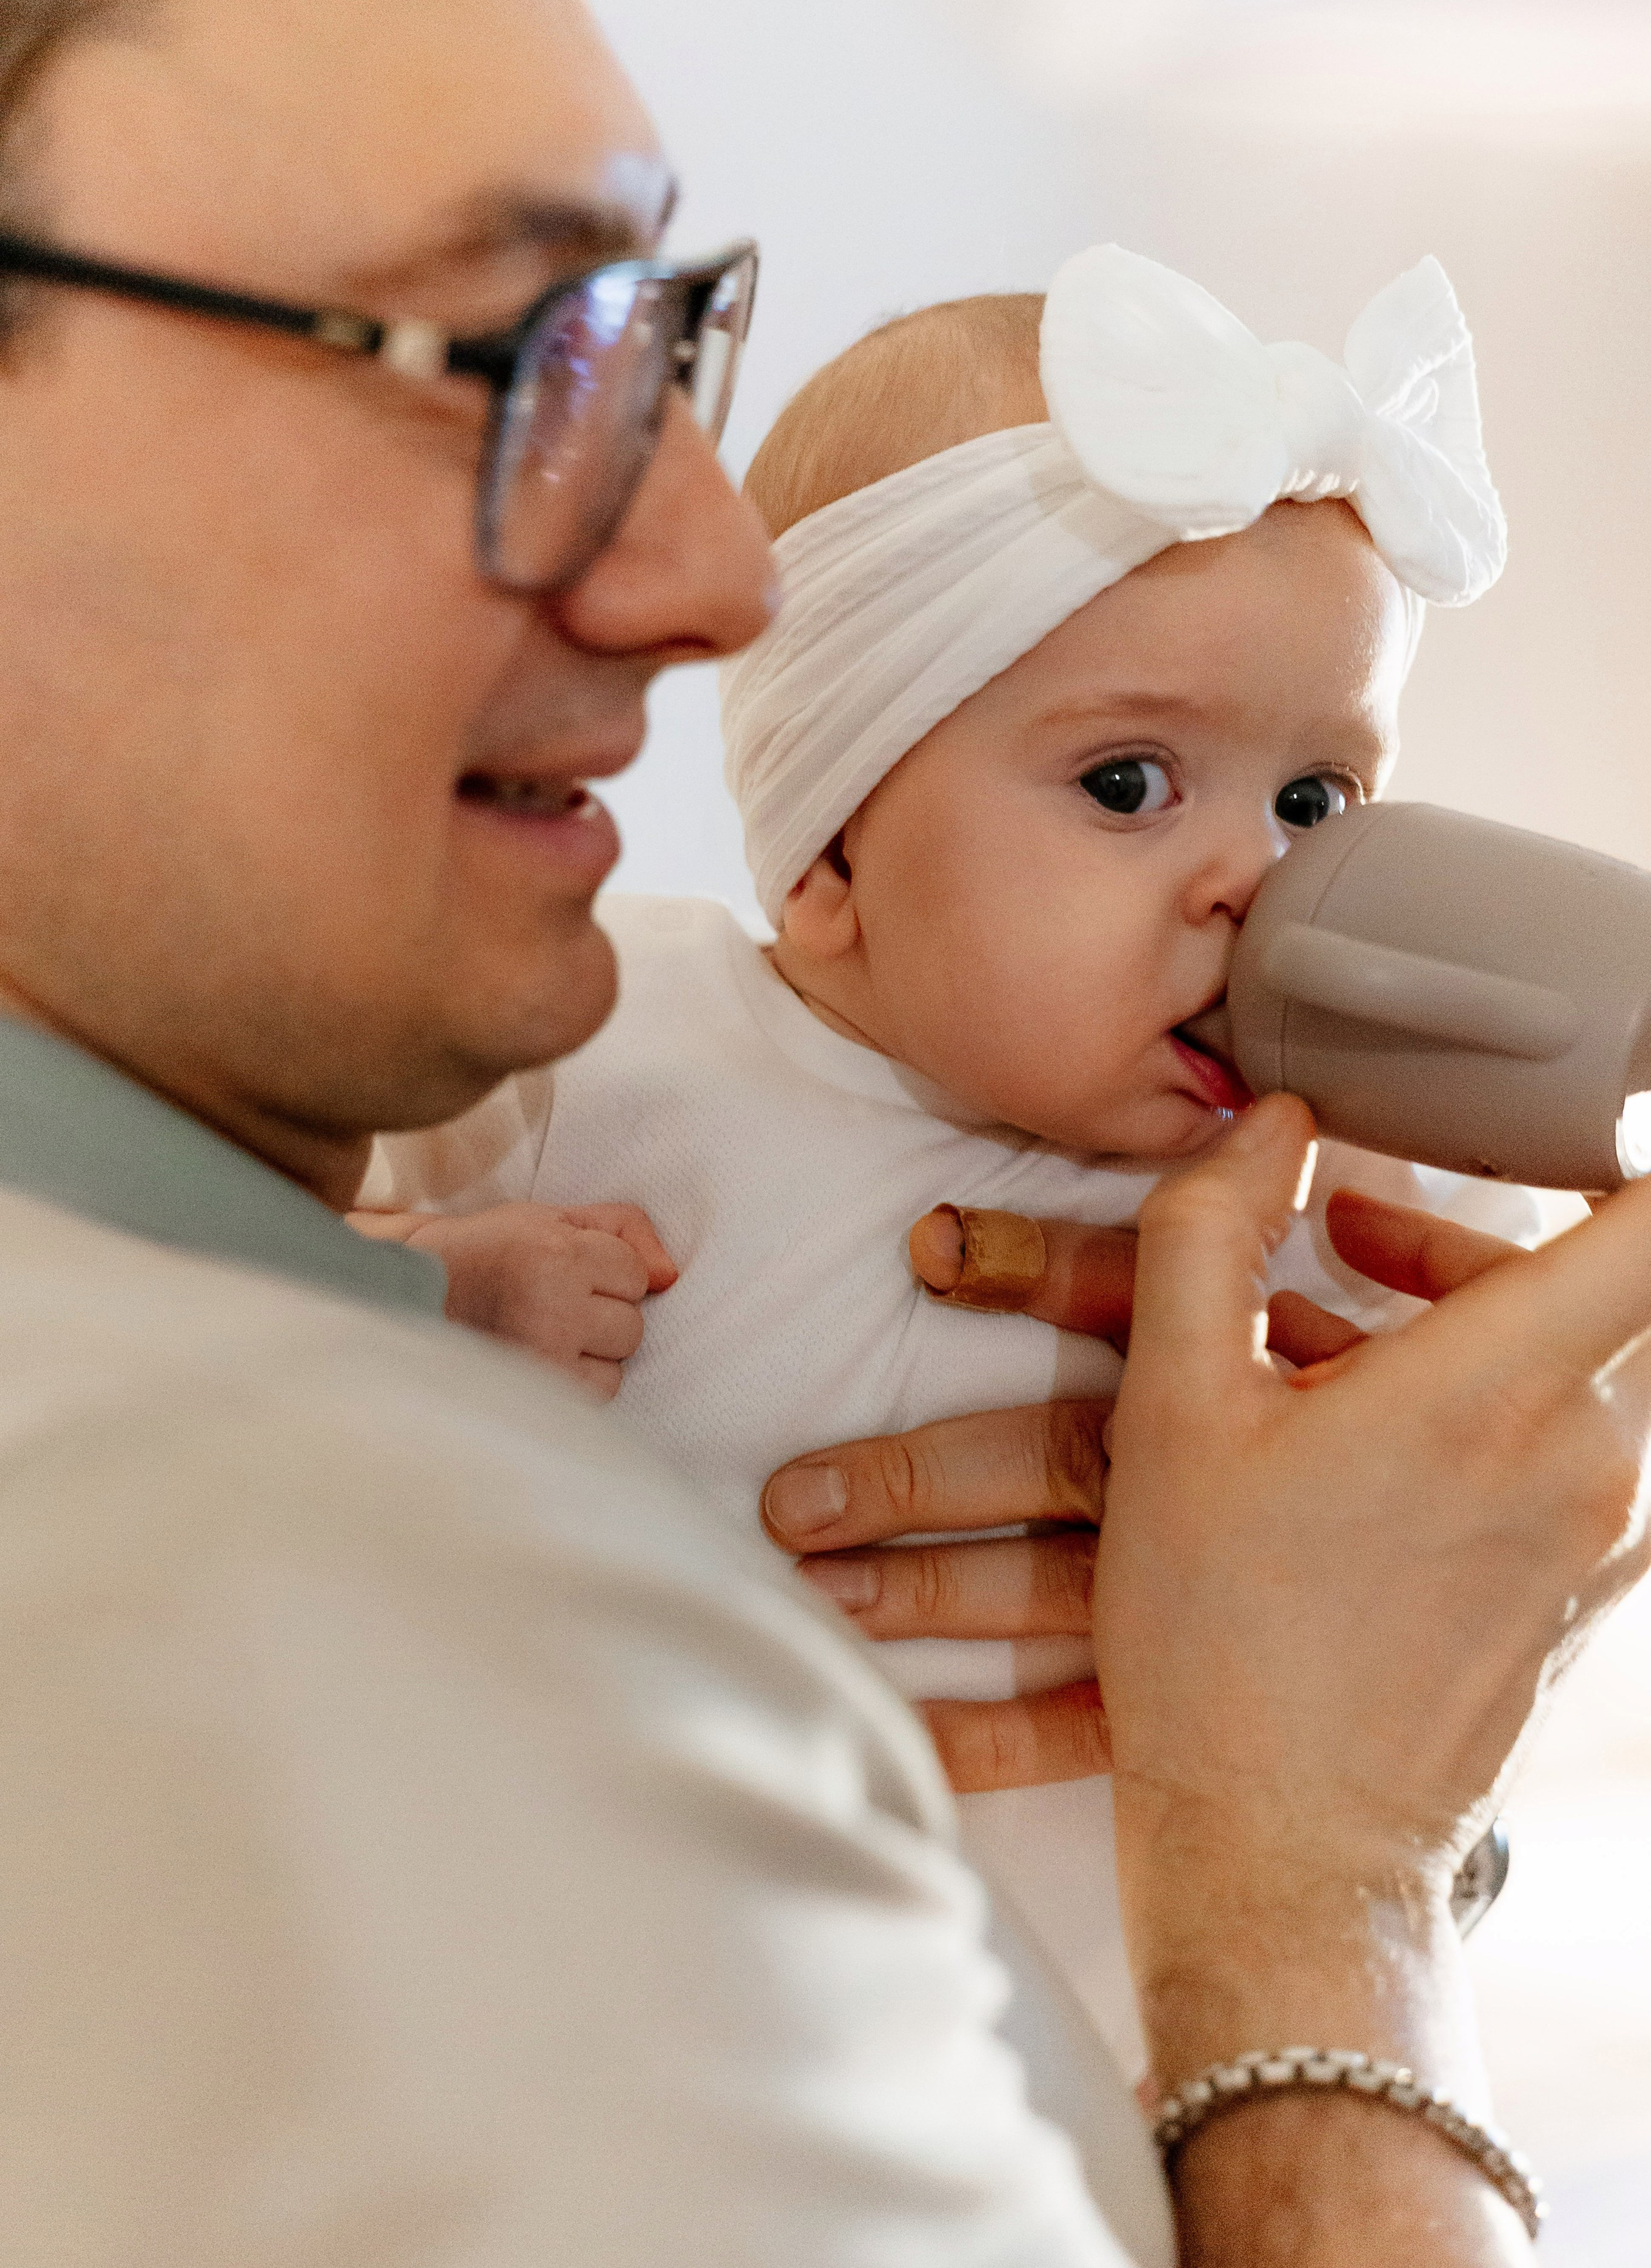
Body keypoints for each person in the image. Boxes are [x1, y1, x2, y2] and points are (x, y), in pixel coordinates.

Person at [0, 0, 1639, 2268]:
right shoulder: (250, 1529)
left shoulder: (1302, 1194)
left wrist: (1379, 1748)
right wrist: (1328, 1889)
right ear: (836, 870)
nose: (713, 566)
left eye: (669, 342)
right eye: (502, 350)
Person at [364, 247, 1553, 2086]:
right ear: (829, 855)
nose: (1258, 881)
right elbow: (231, 1288)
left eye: (1319, 799)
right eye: (1130, 784)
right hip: (635, 2028)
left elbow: (1529, 1444)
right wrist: (447, 1289)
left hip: (1151, 2084)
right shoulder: (609, 1058)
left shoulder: (1345, 1192)